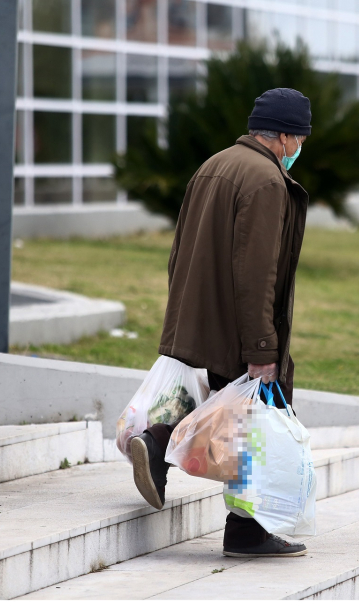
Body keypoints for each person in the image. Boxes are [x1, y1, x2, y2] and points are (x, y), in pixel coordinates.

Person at [130, 88, 311, 558]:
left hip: (199, 315)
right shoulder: (266, 181)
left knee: (226, 411)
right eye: (300, 138)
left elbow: (179, 250)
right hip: (237, 324)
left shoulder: (214, 165)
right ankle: (246, 531)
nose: (299, 148)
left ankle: (157, 442)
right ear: (285, 136)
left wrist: (183, 314)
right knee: (253, 420)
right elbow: (257, 273)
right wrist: (262, 347)